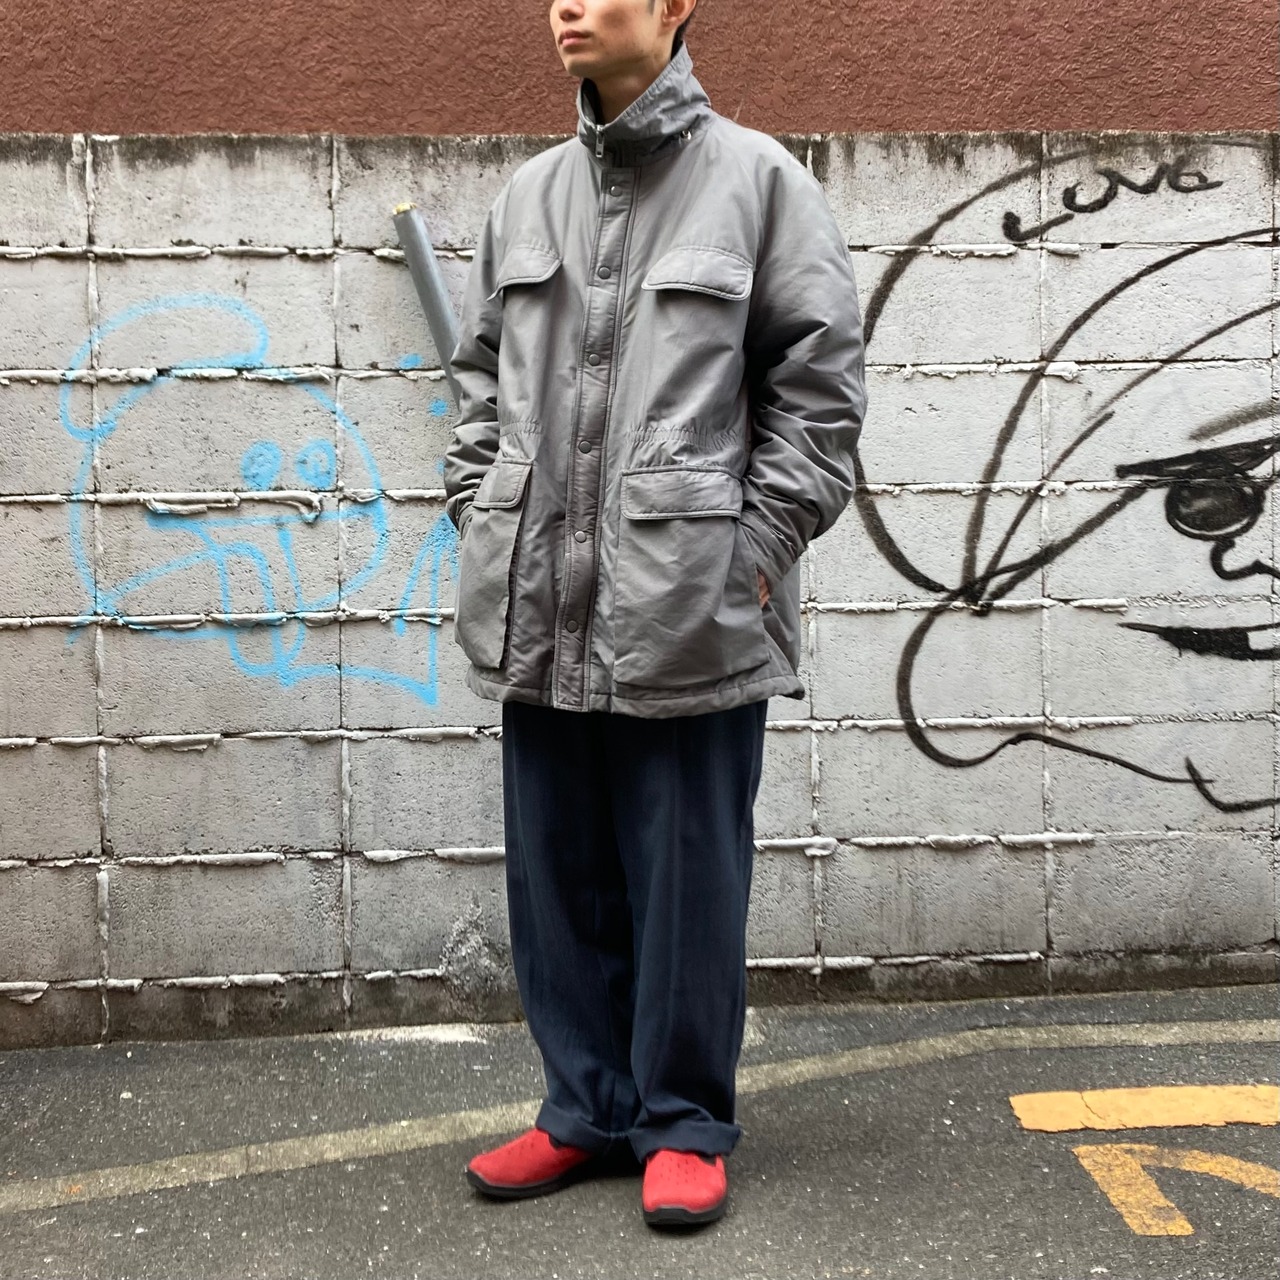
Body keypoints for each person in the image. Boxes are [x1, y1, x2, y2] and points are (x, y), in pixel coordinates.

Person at [443, 0, 866, 1228]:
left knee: (684, 874)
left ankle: (681, 1118)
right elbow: (477, 380)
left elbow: (818, 393)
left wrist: (752, 554)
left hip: (692, 603)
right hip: (539, 595)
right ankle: (583, 1105)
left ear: (677, 5)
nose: (567, 8)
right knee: (556, 869)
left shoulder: (761, 184)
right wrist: (482, 505)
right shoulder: (527, 195)